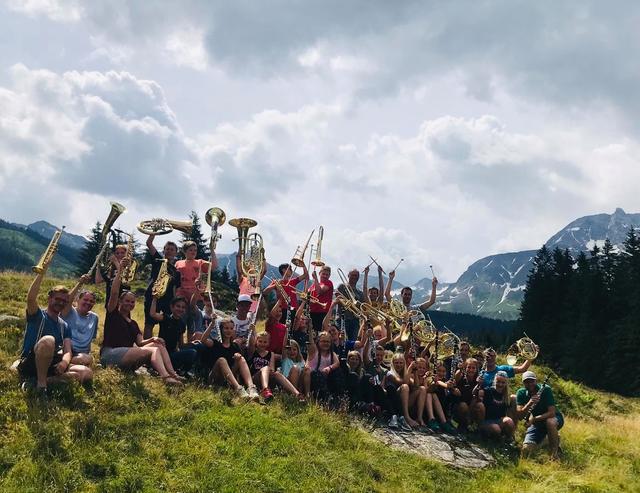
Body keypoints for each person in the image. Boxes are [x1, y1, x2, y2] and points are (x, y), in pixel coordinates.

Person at [100, 258, 183, 386]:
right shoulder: (113, 314)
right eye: (126, 301)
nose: (129, 304)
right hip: (110, 354)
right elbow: (115, 292)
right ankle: (165, 377)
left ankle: (173, 374)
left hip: (127, 355)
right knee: (151, 351)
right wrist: (120, 270)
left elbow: (140, 343)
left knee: (158, 346)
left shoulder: (133, 324)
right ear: (120, 302)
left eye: (132, 302)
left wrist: (153, 339)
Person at [20, 271, 93, 395]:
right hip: (31, 362)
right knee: (49, 340)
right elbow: (31, 298)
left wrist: (64, 363)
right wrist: (41, 273)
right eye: (57, 299)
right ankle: (41, 388)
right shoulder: (37, 315)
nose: (60, 302)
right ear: (49, 299)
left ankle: (40, 381)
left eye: (64, 300)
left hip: (51, 364)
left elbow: (68, 351)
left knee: (86, 372)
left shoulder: (64, 326)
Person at [200, 318, 259, 400]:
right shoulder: (216, 343)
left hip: (228, 377)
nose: (229, 331)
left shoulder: (235, 346)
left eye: (231, 328)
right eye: (226, 328)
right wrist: (211, 325)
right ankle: (238, 389)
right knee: (222, 360)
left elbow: (254, 346)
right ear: (221, 329)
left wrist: (238, 356)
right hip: (215, 377)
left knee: (241, 359)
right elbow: (203, 340)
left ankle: (251, 388)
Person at [516, 371, 564, 459]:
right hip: (537, 424)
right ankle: (547, 439)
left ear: (536, 381)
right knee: (526, 450)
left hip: (553, 418)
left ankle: (554, 453)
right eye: (527, 382)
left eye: (532, 381)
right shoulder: (521, 393)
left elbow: (551, 413)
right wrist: (530, 403)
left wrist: (533, 419)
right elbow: (519, 416)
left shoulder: (546, 389)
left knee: (550, 422)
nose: (530, 384)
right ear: (523, 383)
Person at [143, 235, 180, 338]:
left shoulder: (177, 272)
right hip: (152, 296)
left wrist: (174, 303)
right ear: (163, 251)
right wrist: (154, 232)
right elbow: (149, 243)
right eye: (167, 249)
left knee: (167, 325)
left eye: (172, 250)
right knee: (149, 324)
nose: (169, 251)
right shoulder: (158, 260)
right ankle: (147, 349)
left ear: (176, 252)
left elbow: (175, 289)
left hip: (168, 300)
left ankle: (163, 348)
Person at [149, 296, 198, 375]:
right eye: (178, 306)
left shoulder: (182, 324)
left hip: (171, 355)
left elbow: (181, 345)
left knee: (193, 352)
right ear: (172, 307)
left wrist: (192, 344)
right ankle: (157, 367)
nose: (180, 309)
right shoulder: (165, 318)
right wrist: (154, 298)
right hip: (161, 353)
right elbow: (153, 314)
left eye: (183, 307)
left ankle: (183, 371)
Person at [247, 331, 301, 401]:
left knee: (277, 373)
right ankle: (265, 390)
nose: (262, 344)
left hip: (268, 379)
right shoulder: (253, 351)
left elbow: (272, 369)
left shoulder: (271, 354)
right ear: (256, 342)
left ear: (268, 343)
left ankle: (297, 394)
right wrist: (253, 330)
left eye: (265, 342)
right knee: (266, 368)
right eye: (260, 341)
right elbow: (250, 343)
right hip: (255, 379)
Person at [60, 274, 98, 366]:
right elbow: (67, 300)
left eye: (91, 301)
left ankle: (67, 364)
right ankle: (66, 363)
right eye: (85, 300)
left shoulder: (94, 317)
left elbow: (91, 339)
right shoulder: (69, 311)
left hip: (82, 354)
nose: (88, 303)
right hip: (65, 350)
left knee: (86, 359)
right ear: (78, 299)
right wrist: (80, 283)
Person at [478, 371, 515, 442]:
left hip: (499, 420)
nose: (500, 384)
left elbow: (509, 414)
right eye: (498, 381)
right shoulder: (487, 391)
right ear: (494, 381)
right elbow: (477, 396)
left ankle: (508, 439)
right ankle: (488, 437)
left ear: (506, 383)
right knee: (496, 429)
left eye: (503, 382)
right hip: (486, 421)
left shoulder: (506, 396)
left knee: (509, 421)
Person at [305, 331, 341, 399]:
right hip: (314, 379)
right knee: (317, 374)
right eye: (323, 341)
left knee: (338, 371)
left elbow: (337, 363)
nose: (325, 343)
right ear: (318, 342)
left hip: (326, 379)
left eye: (328, 342)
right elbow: (310, 341)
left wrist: (329, 368)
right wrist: (310, 327)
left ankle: (338, 396)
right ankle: (324, 398)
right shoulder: (313, 351)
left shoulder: (332, 354)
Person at [95, 243, 130, 308]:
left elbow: (122, 275)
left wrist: (115, 261)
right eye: (117, 253)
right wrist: (98, 265)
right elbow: (98, 280)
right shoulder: (110, 269)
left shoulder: (129, 267)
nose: (120, 255)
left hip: (123, 304)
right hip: (110, 302)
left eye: (122, 253)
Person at [453, 357, 481, 432]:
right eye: (469, 367)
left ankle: (476, 427)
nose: (471, 370)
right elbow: (455, 378)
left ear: (476, 369)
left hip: (471, 407)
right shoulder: (461, 377)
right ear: (465, 368)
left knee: (478, 402)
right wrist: (460, 369)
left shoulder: (478, 380)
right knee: (463, 406)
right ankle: (463, 425)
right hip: (459, 407)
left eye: (473, 368)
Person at [336, 268, 363, 340]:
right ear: (348, 275)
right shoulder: (342, 286)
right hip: (342, 319)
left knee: (353, 342)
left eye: (356, 276)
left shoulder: (360, 292)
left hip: (354, 321)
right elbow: (337, 298)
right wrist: (347, 303)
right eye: (353, 275)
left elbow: (362, 307)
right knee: (341, 340)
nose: (355, 277)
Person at [308, 266, 334, 332]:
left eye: (327, 275)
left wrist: (315, 278)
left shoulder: (329, 283)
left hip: (322, 313)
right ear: (319, 273)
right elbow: (308, 297)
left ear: (329, 276)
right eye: (323, 274)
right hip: (312, 312)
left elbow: (319, 291)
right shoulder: (314, 285)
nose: (325, 276)